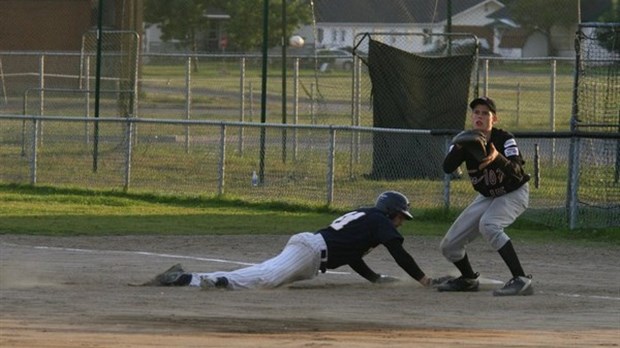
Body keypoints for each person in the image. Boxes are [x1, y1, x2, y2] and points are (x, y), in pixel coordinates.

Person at [141, 191, 443, 290]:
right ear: (391, 212)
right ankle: (191, 279)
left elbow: (352, 255)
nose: (402, 221)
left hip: (311, 251)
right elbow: (399, 252)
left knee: (265, 275)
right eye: (401, 216)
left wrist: (375, 278)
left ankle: (202, 279)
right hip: (311, 250)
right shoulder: (379, 221)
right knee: (265, 278)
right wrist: (424, 279)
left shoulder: (369, 220)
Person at [437, 96, 533, 296]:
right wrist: (461, 147)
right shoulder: (465, 140)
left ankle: (521, 279)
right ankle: (469, 279)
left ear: (494, 119)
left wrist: (497, 158)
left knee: (489, 224)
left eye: (485, 113)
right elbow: (447, 167)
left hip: (514, 192)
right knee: (450, 245)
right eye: (476, 112)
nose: (479, 116)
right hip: (488, 196)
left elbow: (516, 172)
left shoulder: (504, 138)